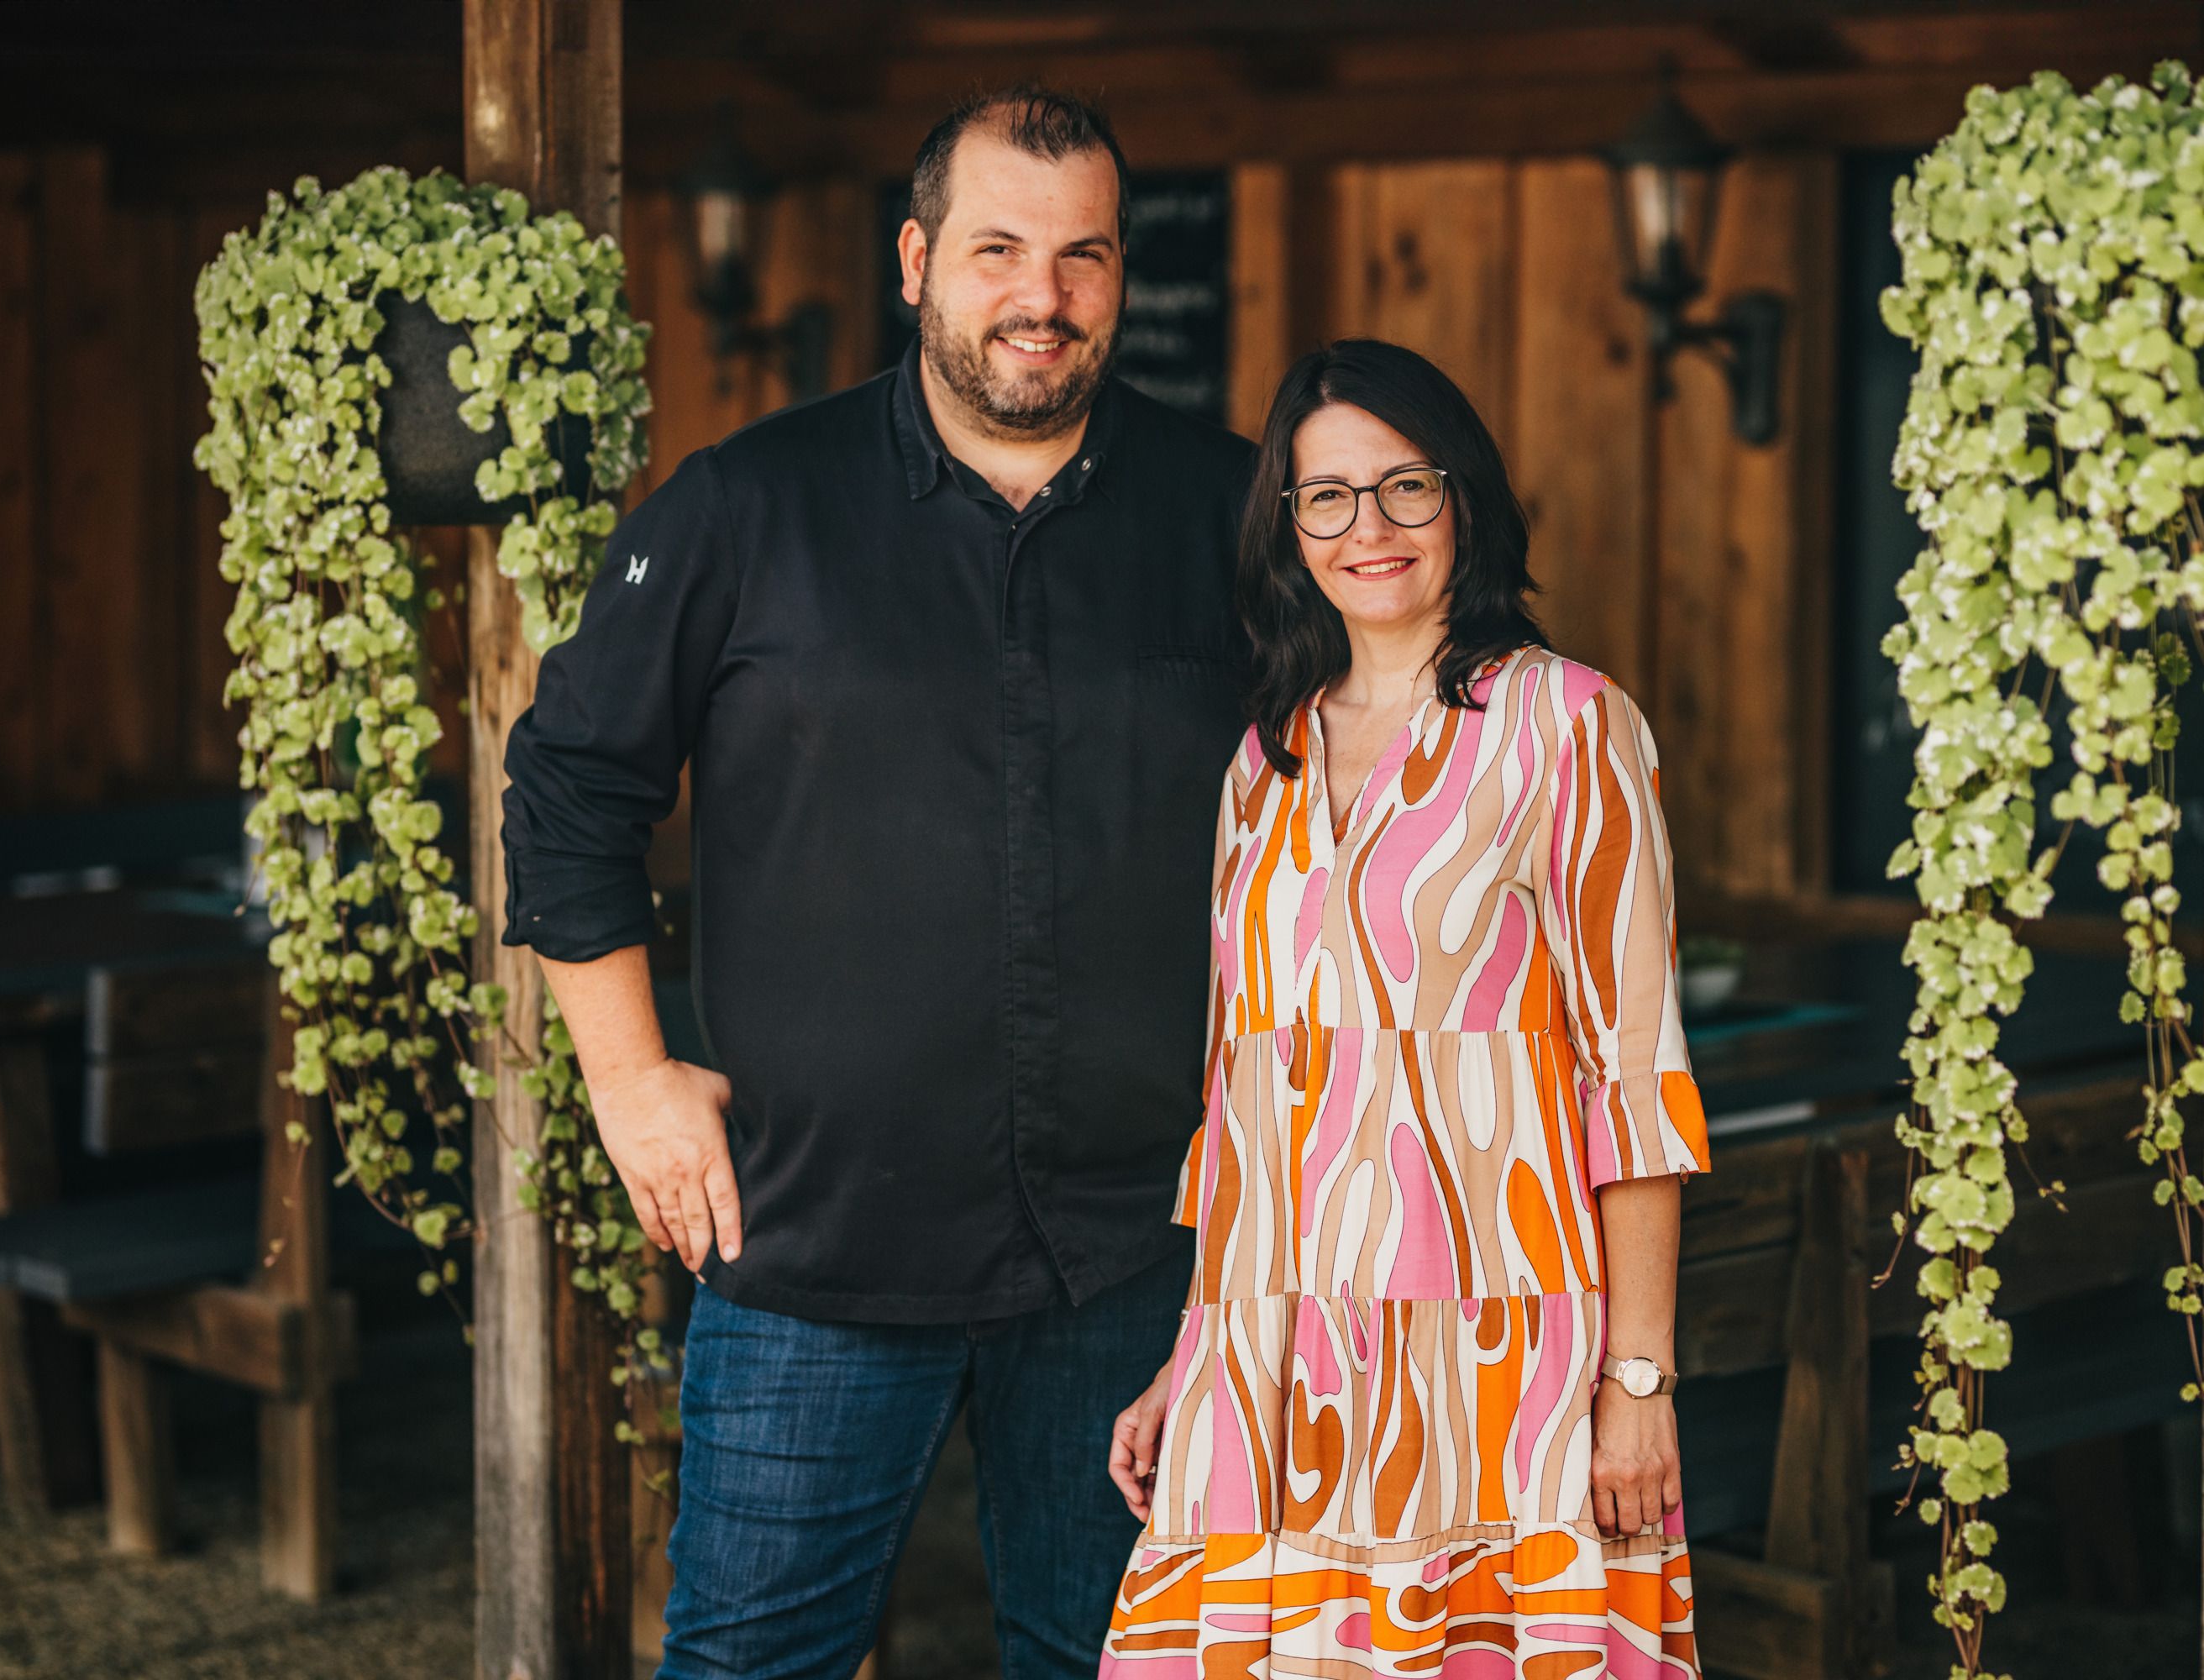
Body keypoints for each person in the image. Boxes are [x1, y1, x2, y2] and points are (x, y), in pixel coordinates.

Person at [498, 87, 1254, 1680]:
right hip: (816, 1240)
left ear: (1120, 275)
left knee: (1121, 1667)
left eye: (1083, 257)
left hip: (1138, 1247)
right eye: (996, 250)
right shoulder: (743, 505)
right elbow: (570, 787)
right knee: (752, 1667)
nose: (1040, 298)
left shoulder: (1231, 513)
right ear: (915, 261)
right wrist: (632, 1087)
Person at [1098, 340, 1710, 1677]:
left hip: (1501, 1352)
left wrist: (1639, 1379)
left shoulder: (1569, 725)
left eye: (1403, 488)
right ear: (1287, 527)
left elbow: (1635, 1078)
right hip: (1275, 1358)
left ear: (1465, 501)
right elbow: (1243, 1099)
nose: (1366, 528)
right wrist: (1190, 1356)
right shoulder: (1263, 759)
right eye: (1326, 497)